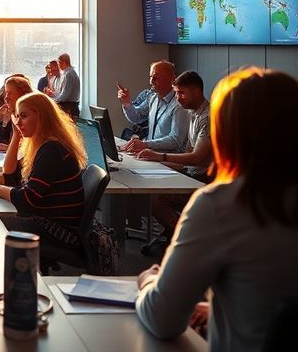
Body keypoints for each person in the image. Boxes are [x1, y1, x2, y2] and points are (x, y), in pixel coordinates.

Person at [136, 68, 298, 351]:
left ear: (228, 132)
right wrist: (222, 308)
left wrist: (148, 280)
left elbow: (161, 319)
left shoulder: (219, 205)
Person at [0, 92, 87, 248]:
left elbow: (27, 199)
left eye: (24, 116)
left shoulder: (52, 149)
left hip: (57, 231)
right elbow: (15, 177)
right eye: (17, 116)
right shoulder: (41, 144)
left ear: (42, 117)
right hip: (48, 222)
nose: (17, 122)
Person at [138, 71, 212, 240]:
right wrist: (154, 162)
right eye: (176, 93)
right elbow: (188, 156)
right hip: (192, 174)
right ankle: (177, 234)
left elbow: (197, 158)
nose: (178, 98)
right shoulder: (193, 113)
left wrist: (161, 157)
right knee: (154, 184)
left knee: (157, 199)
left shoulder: (207, 118)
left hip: (204, 180)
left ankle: (185, 238)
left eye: (182, 93)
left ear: (197, 92)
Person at [118, 60, 188, 154]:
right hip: (150, 155)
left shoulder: (180, 104)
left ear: (172, 79)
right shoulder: (153, 98)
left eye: (156, 77)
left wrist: (145, 144)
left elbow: (175, 140)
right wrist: (127, 103)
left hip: (168, 159)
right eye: (150, 77)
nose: (151, 82)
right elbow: (137, 117)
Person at [0, 75, 32, 151]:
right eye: (6, 93)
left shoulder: (28, 117)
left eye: (9, 93)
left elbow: (31, 147)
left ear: (23, 95)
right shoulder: (7, 112)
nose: (6, 98)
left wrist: (10, 149)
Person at [49, 53, 80, 117]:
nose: (58, 66)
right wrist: (53, 95)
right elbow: (63, 93)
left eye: (59, 63)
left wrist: (53, 101)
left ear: (64, 62)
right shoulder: (69, 73)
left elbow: (65, 95)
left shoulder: (69, 74)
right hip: (70, 106)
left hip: (69, 107)